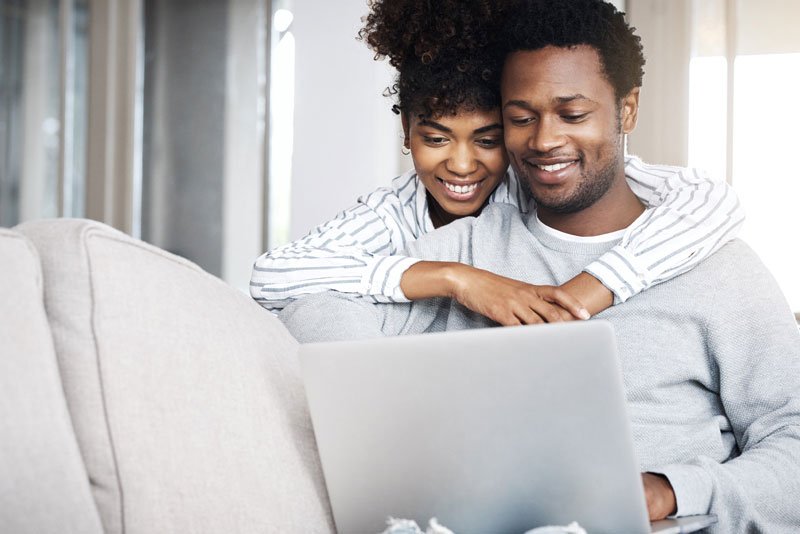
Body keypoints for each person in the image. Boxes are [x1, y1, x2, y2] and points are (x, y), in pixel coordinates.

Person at [279, 1, 800, 531]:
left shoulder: (719, 268)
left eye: (572, 115)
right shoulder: (464, 250)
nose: (545, 140)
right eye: (521, 119)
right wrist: (392, 433)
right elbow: (316, 307)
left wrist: (670, 491)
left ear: (627, 110)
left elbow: (793, 439)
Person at [250, 0, 743, 326]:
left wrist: (591, 289)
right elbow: (271, 276)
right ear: (406, 133)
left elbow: (711, 200)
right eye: (436, 139)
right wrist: (455, 277)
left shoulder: (531, 179)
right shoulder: (393, 212)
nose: (462, 165)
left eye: (488, 139)